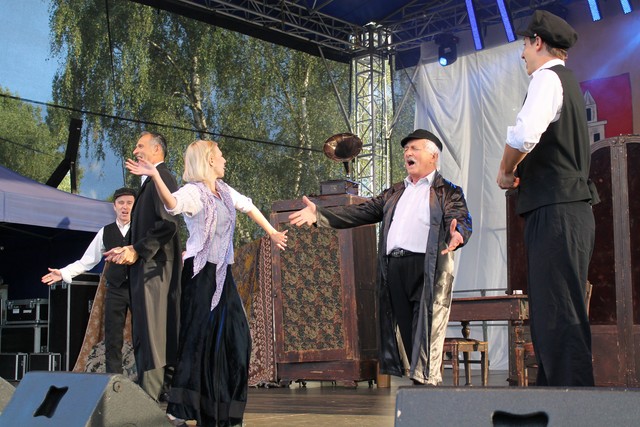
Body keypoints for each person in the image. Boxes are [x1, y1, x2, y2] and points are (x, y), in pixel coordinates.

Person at [289, 129, 472, 386]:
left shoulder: (448, 191)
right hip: (394, 267)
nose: (407, 153)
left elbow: (459, 216)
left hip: (427, 267)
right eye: (405, 150)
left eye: (414, 148)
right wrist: (319, 215)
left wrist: (458, 233)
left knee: (427, 328)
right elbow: (361, 212)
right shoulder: (394, 192)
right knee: (408, 332)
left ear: (433, 156)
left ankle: (428, 387)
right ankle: (422, 385)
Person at [125, 139, 287, 427]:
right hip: (200, 275)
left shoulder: (224, 191)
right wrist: (155, 176)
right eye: (221, 155)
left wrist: (272, 232)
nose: (225, 160)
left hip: (223, 274)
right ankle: (181, 408)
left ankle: (224, 409)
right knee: (198, 341)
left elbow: (248, 207)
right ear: (210, 160)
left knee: (237, 340)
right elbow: (172, 205)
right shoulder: (193, 192)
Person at [496, 10, 599, 386]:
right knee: (553, 311)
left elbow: (524, 134)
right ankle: (557, 398)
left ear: (537, 42)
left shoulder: (547, 78)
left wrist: (506, 170)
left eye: (524, 45)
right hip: (562, 210)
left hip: (557, 212)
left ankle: (572, 404)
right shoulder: (564, 82)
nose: (523, 54)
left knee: (559, 311)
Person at [105, 131, 182, 400]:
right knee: (147, 331)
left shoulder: (163, 178)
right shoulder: (149, 183)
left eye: (141, 146)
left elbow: (168, 225)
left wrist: (137, 250)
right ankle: (154, 393)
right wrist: (126, 248)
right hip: (148, 269)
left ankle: (151, 396)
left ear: (157, 150)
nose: (136, 151)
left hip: (156, 270)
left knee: (153, 331)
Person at [41, 187, 136, 374]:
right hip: (115, 289)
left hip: (138, 288)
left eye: (129, 203)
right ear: (114, 206)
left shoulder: (141, 230)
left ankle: (147, 382)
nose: (125, 207)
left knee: (143, 336)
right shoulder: (105, 231)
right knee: (113, 337)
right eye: (121, 203)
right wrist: (63, 273)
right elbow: (87, 261)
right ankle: (114, 379)